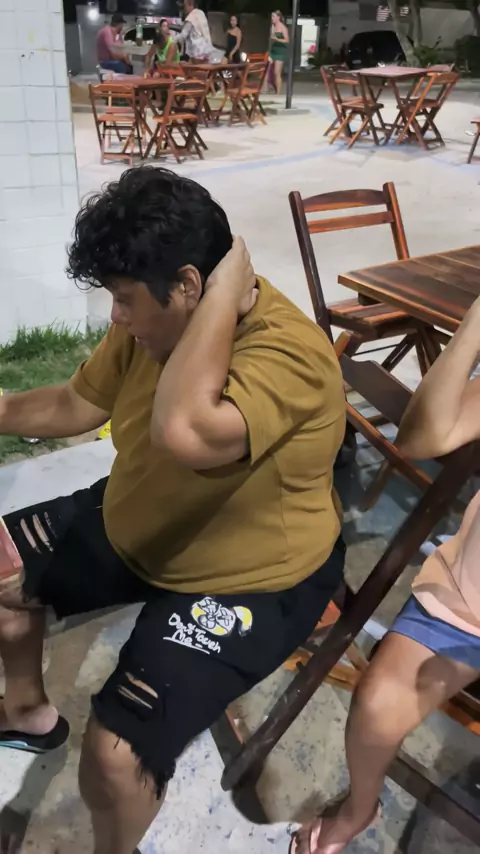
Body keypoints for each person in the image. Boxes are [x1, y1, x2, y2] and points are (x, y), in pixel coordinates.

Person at [0, 166, 346, 854]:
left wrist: (221, 294)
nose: (115, 317)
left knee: (115, 758)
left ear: (190, 285)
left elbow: (185, 430)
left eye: (124, 299)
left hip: (251, 578)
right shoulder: (146, 327)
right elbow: (76, 403)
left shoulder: (288, 352)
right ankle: (27, 712)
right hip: (145, 524)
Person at [290, 295, 480, 854]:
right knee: (375, 704)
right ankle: (359, 809)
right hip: (469, 599)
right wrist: (473, 324)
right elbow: (420, 439)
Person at [268, 10, 289, 95]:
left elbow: (287, 40)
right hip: (273, 51)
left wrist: (277, 39)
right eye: (271, 16)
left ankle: (278, 93)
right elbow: (271, 39)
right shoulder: (273, 27)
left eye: (273, 16)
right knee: (268, 70)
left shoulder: (283, 27)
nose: (272, 18)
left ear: (278, 17)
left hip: (280, 52)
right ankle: (268, 88)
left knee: (277, 72)